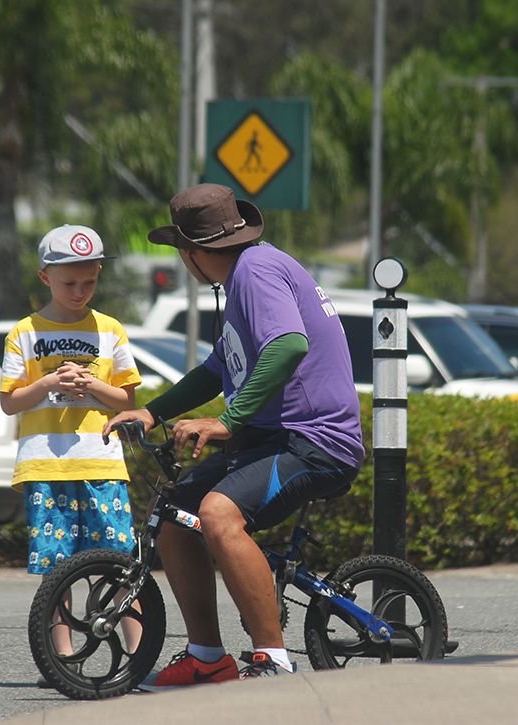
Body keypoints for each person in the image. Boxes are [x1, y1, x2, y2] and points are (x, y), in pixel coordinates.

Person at [103, 184, 364, 686]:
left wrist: (228, 420)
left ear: (192, 252)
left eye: (180, 251)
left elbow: (288, 345)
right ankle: (207, 657)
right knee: (174, 515)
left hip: (315, 440)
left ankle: (274, 659)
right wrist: (152, 413)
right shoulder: (245, 276)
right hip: (273, 439)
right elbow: (215, 370)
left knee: (218, 514)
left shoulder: (256, 272)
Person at [0, 224, 143, 682]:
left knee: (122, 564)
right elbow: (9, 402)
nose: (80, 291)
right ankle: (62, 662)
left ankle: (139, 659)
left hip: (102, 462)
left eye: (89, 281)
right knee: (58, 568)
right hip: (45, 465)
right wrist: (46, 383)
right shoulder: (24, 332)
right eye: (69, 282)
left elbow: (128, 401)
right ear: (45, 277)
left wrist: (93, 384)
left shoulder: (110, 329)